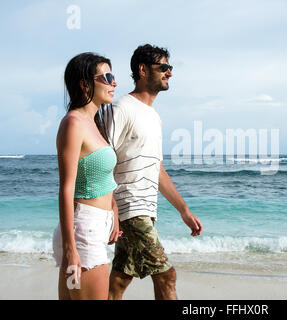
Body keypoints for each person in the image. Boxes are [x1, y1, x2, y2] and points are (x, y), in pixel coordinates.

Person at [105, 44, 203, 300]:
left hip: (145, 210)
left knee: (120, 279)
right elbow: (102, 159)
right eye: (164, 68)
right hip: (130, 208)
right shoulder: (122, 108)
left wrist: (183, 209)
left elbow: (157, 169)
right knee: (166, 275)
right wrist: (112, 208)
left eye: (170, 68)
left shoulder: (154, 117)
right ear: (142, 70)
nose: (170, 73)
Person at [52, 52, 122, 300]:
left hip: (94, 228)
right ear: (85, 84)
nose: (114, 83)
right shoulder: (73, 123)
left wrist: (112, 210)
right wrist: (70, 249)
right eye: (107, 77)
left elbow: (96, 177)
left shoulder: (94, 123)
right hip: (82, 232)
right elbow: (66, 188)